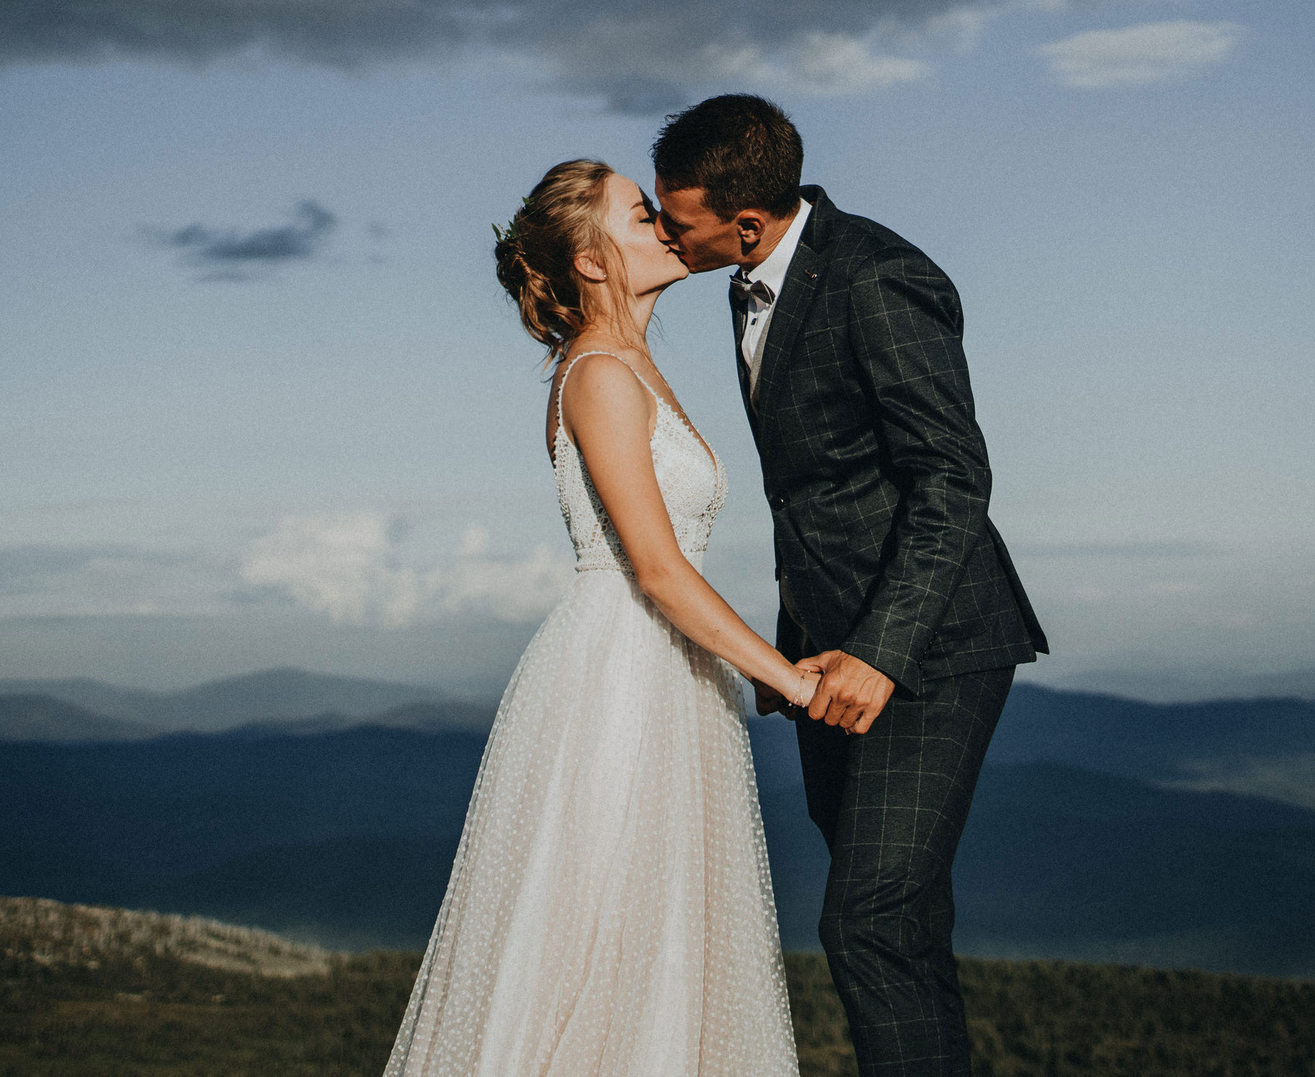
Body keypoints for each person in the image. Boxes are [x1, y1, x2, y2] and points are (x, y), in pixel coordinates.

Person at [383, 157, 818, 1077]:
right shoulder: (600, 375)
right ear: (590, 260)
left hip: (665, 671)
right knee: (599, 938)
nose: (667, 222)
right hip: (621, 674)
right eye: (640, 213)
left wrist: (746, 666)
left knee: (656, 945)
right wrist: (784, 675)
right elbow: (656, 569)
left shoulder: (630, 365)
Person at [652, 95, 1048, 1077]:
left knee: (866, 921)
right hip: (825, 658)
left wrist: (879, 653)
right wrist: (792, 650)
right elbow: (819, 492)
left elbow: (951, 478)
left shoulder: (876, 276)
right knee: (900, 927)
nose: (664, 230)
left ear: (746, 223)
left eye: (678, 217)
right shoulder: (748, 282)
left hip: (931, 650)